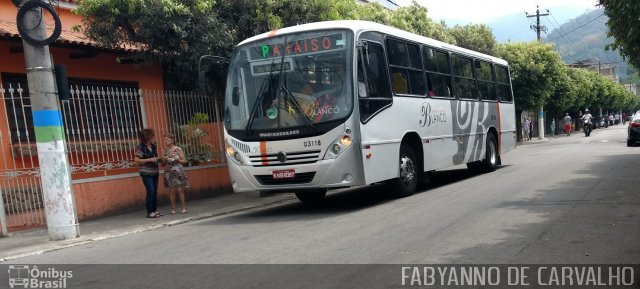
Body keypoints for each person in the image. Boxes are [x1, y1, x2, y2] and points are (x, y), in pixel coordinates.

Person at [135, 129, 161, 218]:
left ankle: (154, 210)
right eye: (150, 136)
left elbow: (155, 156)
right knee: (150, 190)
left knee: (154, 191)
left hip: (154, 171)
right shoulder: (140, 147)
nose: (152, 137)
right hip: (146, 172)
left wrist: (160, 159)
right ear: (145, 137)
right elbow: (137, 161)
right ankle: (149, 212)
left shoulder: (153, 146)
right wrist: (150, 159)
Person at [162, 133, 190, 214]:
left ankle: (183, 207)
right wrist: (164, 159)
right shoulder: (164, 150)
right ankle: (173, 208)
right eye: (164, 139)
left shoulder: (178, 149)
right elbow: (163, 164)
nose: (165, 141)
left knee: (180, 189)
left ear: (172, 140)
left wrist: (178, 160)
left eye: (167, 139)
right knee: (171, 190)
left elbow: (184, 161)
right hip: (169, 171)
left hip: (178, 170)